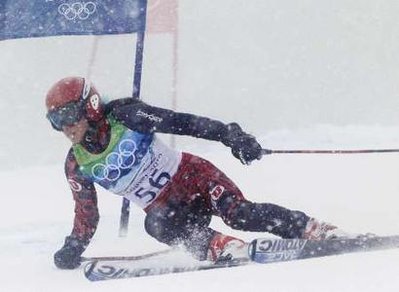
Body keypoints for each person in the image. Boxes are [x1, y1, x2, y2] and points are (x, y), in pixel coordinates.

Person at [46, 76, 347, 270]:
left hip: (194, 177)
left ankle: (311, 228)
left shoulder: (127, 117)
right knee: (156, 224)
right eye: (56, 121)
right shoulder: (78, 164)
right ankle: (221, 247)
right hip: (170, 211)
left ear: (91, 107)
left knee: (240, 213)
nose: (66, 127)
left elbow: (183, 123)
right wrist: (75, 246)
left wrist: (230, 135)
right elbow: (86, 213)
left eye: (69, 116)